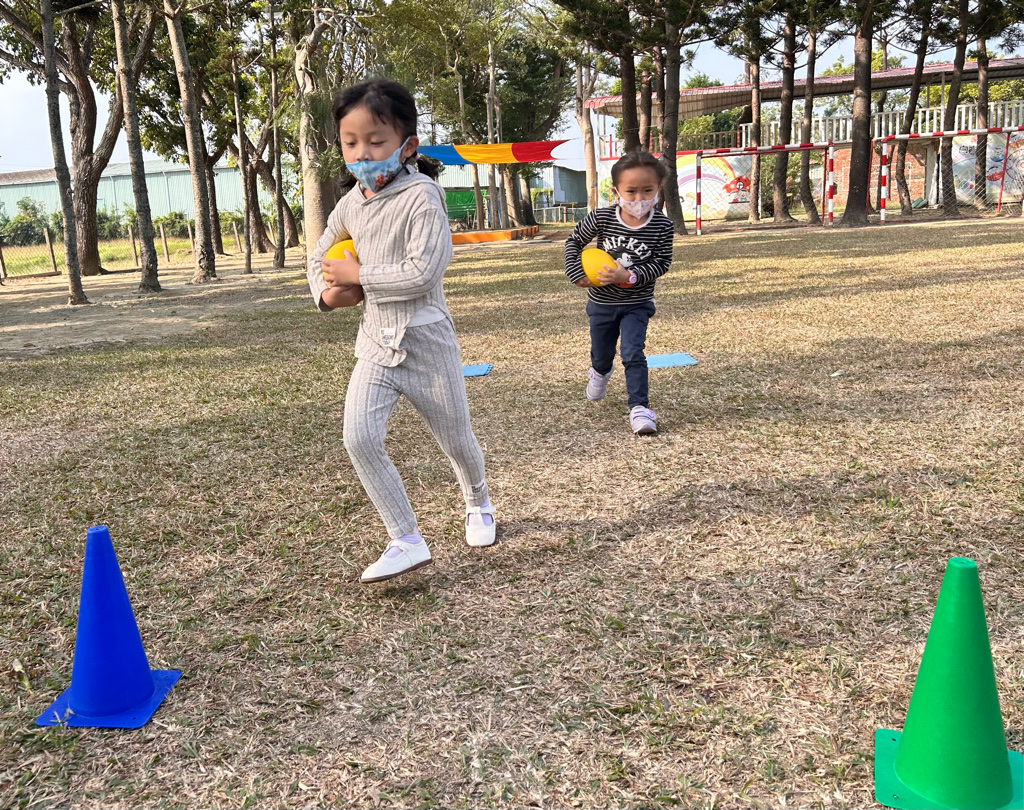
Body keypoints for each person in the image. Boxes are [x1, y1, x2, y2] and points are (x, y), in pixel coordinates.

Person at [307, 79, 496, 584]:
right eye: (350, 142)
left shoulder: (423, 196)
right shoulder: (351, 203)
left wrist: (360, 276)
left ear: (407, 145)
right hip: (376, 344)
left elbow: (422, 273)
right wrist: (327, 293)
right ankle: (405, 539)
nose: (362, 154)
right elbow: (319, 254)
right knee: (359, 438)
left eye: (376, 141)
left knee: (455, 439)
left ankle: (478, 502)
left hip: (427, 341)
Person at [564, 150, 675, 435]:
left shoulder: (662, 225)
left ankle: (639, 408)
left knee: (633, 352)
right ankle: (600, 371)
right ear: (616, 192)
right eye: (631, 191)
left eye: (647, 190)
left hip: (637, 303)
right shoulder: (601, 217)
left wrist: (630, 276)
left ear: (658, 187)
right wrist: (576, 274)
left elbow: (662, 263)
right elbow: (574, 242)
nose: (639, 198)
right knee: (602, 355)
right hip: (601, 304)